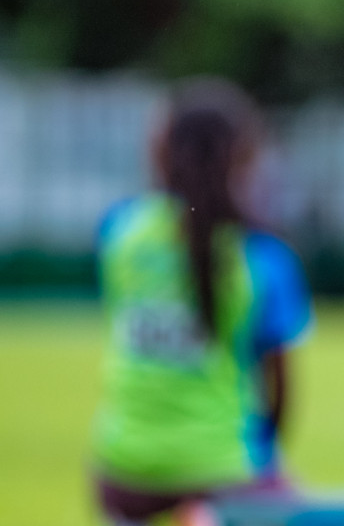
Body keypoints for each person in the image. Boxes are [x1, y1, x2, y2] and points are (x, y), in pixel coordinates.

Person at [91, 79, 311, 525]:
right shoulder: (262, 258)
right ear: (245, 158)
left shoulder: (119, 233)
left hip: (123, 467)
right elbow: (279, 391)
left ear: (161, 150)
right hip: (222, 465)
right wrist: (261, 461)